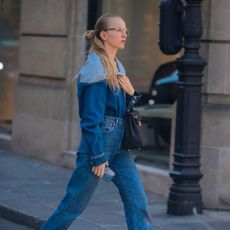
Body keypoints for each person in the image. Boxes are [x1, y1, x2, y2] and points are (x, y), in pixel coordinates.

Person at [41, 14, 152, 230]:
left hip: (120, 149)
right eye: (118, 30)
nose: (124, 34)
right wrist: (99, 156)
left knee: (138, 203)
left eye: (126, 30)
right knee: (72, 205)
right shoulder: (96, 69)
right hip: (97, 148)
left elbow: (124, 111)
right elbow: (91, 120)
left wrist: (132, 93)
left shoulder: (117, 66)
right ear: (104, 34)